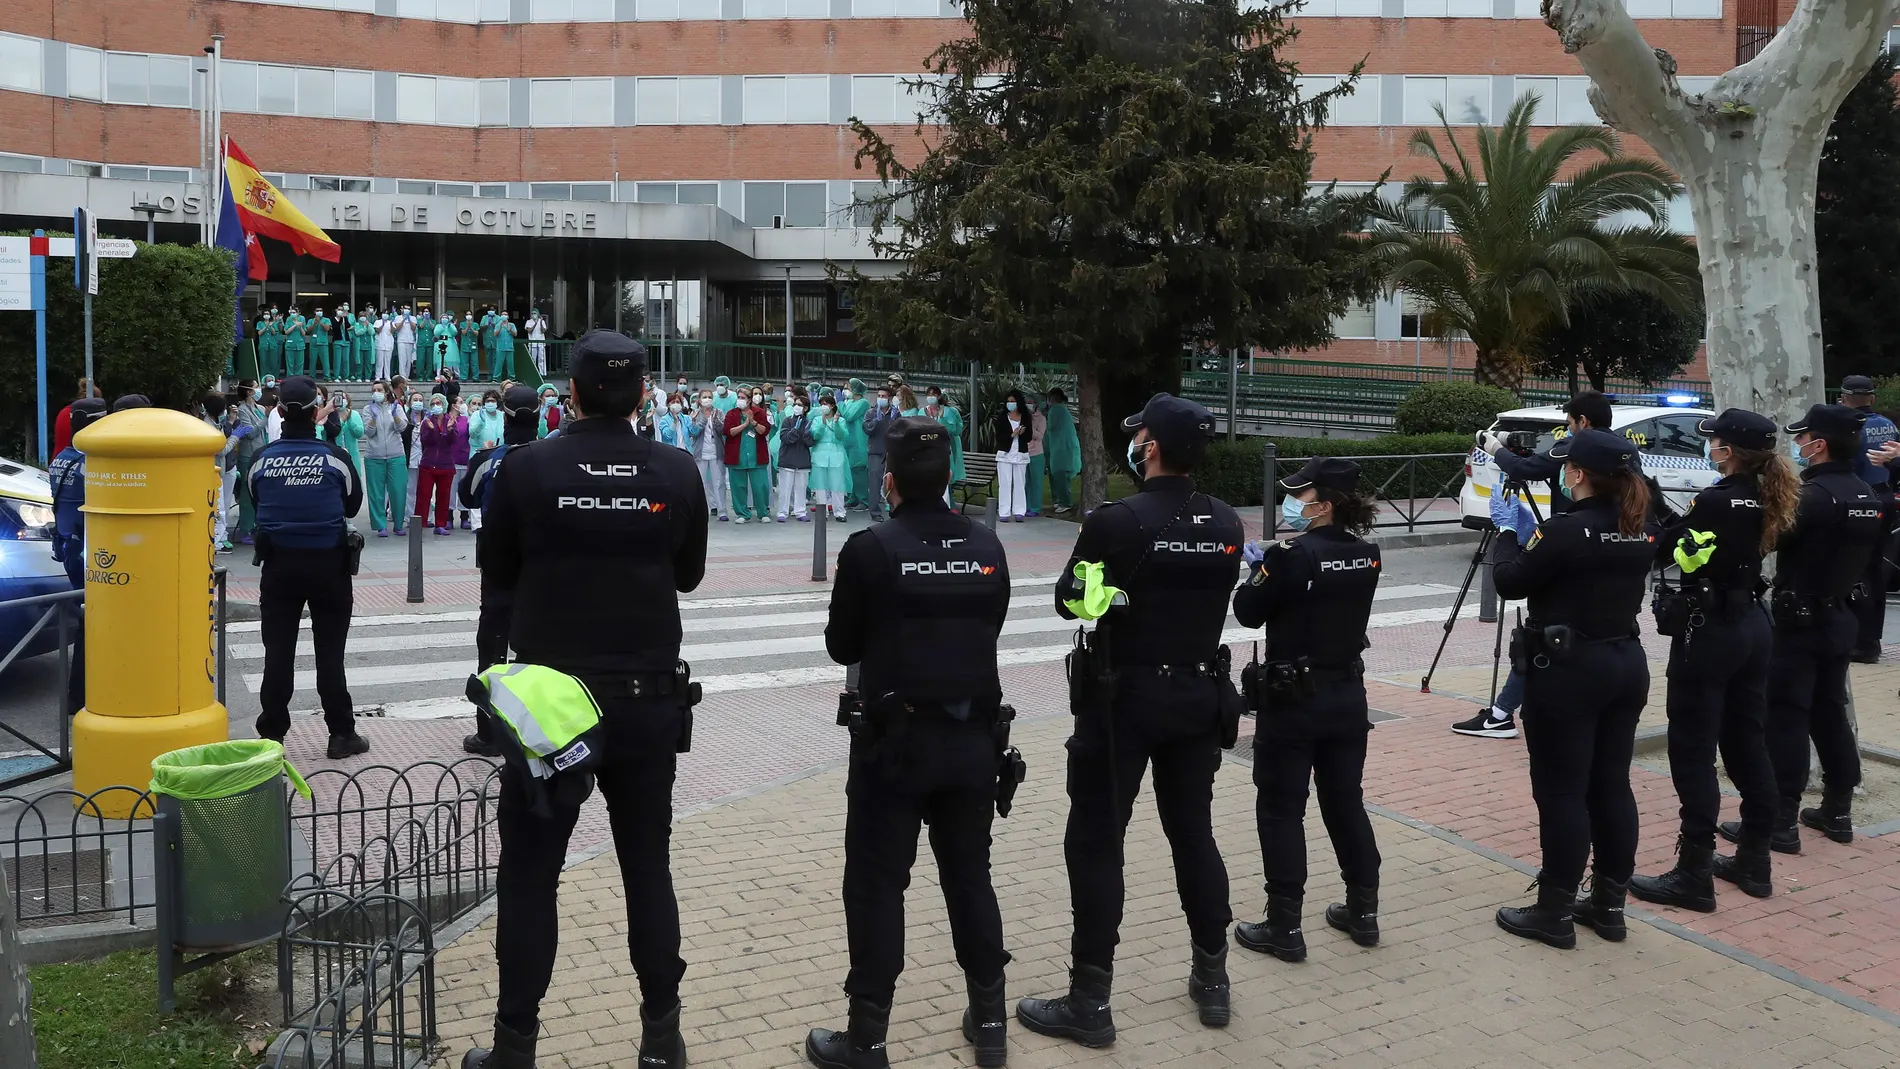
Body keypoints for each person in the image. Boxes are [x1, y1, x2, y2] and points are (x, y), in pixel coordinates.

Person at [461, 332, 707, 1069]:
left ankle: (515, 1045)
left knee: (530, 876)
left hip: (552, 703)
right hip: (646, 698)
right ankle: (662, 1038)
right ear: (643, 394)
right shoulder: (675, 468)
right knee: (647, 868)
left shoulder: (527, 467)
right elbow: (688, 573)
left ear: (569, 394)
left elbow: (498, 571)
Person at [1018, 393, 1241, 1044]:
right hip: (1198, 693)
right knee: (1193, 834)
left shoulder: (1117, 522)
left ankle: (1090, 999)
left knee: (1096, 840)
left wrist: (1109, 592)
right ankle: (1213, 977)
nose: (1135, 444)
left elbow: (1070, 601)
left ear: (1152, 448)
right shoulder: (1227, 520)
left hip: (1125, 700)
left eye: (1139, 436)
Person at [806, 416, 1014, 1069]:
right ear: (948, 476)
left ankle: (867, 1040)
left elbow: (842, 644)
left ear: (889, 480)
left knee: (876, 885)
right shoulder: (987, 545)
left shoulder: (871, 549)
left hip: (894, 744)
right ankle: (990, 1023)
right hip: (973, 740)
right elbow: (992, 622)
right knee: (969, 877)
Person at [1487, 428, 1657, 949]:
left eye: (1566, 467)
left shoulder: (1565, 530)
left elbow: (1510, 581)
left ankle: (1554, 911)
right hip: (1625, 661)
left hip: (1570, 670)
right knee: (1611, 785)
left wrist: (1506, 533)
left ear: (1578, 474)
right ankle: (1609, 906)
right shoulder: (1641, 524)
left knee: (1562, 791)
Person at [1626, 409, 1793, 912]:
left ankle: (1693, 872)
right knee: (1747, 741)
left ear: (1728, 450)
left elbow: (1665, 548)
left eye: (1714, 440)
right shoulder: (1765, 493)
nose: (1710, 446)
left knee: (1693, 748)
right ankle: (1754, 860)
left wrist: (1645, 499)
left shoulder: (1716, 500)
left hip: (1712, 630)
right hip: (1753, 625)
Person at [1230, 457, 1385, 962]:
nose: (1293, 503)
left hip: (1293, 701)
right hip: (1347, 696)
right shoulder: (1367, 554)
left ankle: (1284, 926)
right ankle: (1363, 912)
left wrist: (1257, 572)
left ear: (1325, 505)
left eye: (1301, 495)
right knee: (1345, 802)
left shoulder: (1292, 556)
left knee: (1281, 809)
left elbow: (1248, 611)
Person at [1457, 389, 1635, 739]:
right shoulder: (1625, 455)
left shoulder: (1581, 451)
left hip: (1574, 556)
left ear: (1582, 422)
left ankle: (1501, 714)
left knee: (1545, 632)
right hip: (1619, 642)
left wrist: (1495, 450)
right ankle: (1502, 711)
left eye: (1568, 424)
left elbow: (1525, 469)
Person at [1756, 403, 1884, 850]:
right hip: (1841, 617)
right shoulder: (1866, 494)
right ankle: (1838, 810)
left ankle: (1781, 820)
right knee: (1830, 712)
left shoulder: (1813, 496)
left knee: (1786, 715)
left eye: (1803, 437)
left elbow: (1767, 539)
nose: (1798, 444)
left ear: (1820, 445)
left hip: (1800, 621)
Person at [248, 376, 370, 759]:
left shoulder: (261, 459)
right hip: (328, 566)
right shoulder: (336, 458)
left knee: (277, 653)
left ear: (280, 411)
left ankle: (272, 736)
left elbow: (255, 498)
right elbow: (352, 505)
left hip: (279, 567)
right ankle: (341, 733)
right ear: (317, 411)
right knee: (330, 654)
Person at [457, 385, 542, 759]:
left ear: (504, 417)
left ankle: (489, 734)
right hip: (542, 570)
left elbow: (467, 497)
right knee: (539, 652)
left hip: (497, 569)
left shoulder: (488, 461)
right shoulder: (554, 459)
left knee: (492, 650)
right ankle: (536, 731)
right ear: (538, 417)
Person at [49, 399, 107, 715]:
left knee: (87, 617)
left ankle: (81, 694)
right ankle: (81, 694)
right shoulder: (92, 464)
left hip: (68, 547)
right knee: (93, 621)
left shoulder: (61, 458)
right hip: (89, 550)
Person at [1837, 376, 1896, 662]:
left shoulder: (1850, 427)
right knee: (1874, 572)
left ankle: (1858, 642)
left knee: (1853, 571)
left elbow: (1846, 465)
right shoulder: (1887, 424)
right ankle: (1872, 640)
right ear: (1872, 398)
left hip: (1859, 500)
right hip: (1885, 496)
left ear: (1844, 399)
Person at [360, 381, 411, 538]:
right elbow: (369, 432)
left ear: (387, 392)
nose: (376, 392)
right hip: (374, 456)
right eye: (374, 390)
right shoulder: (368, 409)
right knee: (376, 493)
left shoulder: (396, 407)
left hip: (396, 455)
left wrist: (395, 415)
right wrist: (374, 419)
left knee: (398, 490)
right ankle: (380, 525)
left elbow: (402, 428)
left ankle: (398, 524)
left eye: (379, 389)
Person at [418, 394, 466, 536]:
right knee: (423, 496)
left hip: (446, 465)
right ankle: (420, 524)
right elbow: (426, 441)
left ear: (444, 405)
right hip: (428, 464)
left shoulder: (450, 421)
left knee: (444, 496)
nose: (436, 406)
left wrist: (450, 430)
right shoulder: (427, 422)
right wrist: (432, 430)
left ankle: (440, 524)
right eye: (433, 403)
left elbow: (453, 441)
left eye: (438, 403)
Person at [723, 390, 773, 523]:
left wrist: (753, 422)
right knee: (738, 486)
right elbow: (728, 432)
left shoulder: (759, 413)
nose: (740, 399)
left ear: (749, 400)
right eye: (738, 397)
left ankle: (763, 512)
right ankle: (742, 513)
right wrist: (744, 425)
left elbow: (764, 431)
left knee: (760, 486)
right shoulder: (731, 414)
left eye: (743, 397)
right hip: (737, 456)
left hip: (757, 456)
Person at [229, 379, 266, 545]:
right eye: (256, 387)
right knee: (246, 494)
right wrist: (266, 419)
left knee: (259, 492)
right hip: (248, 456)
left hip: (261, 454)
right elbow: (249, 433)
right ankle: (245, 529)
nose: (259, 390)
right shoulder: (243, 410)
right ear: (249, 392)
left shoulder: (260, 408)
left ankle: (257, 525)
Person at [992, 391, 1034, 524]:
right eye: (1008, 401)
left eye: (1013, 401)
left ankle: (1019, 511)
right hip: (1005, 455)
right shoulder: (1002, 418)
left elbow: (1029, 437)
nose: (1010, 404)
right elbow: (999, 437)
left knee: (1020, 483)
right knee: (1005, 483)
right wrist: (1012, 434)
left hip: (1020, 454)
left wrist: (1022, 433)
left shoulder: (1025, 417)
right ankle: (1004, 512)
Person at [811, 392, 851, 522]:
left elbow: (842, 436)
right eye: (821, 404)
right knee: (820, 485)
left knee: (837, 484)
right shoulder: (817, 420)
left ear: (832, 406)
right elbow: (815, 436)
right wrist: (822, 424)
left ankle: (840, 512)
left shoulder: (841, 420)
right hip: (819, 454)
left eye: (826, 404)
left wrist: (837, 423)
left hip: (836, 453)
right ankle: (823, 513)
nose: (823, 406)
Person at [776, 393, 814, 522]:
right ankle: (782, 512)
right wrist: (795, 431)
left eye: (800, 405)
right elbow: (785, 438)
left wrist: (807, 434)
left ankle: (800, 511)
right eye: (795, 404)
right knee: (785, 489)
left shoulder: (808, 423)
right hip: (787, 459)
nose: (796, 407)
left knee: (801, 488)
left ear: (806, 408)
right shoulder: (787, 421)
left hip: (802, 459)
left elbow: (810, 442)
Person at [1042, 388, 1081, 514]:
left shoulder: (1056, 410)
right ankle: (1059, 500)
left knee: (1061, 475)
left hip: (1061, 450)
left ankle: (1065, 502)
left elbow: (1051, 426)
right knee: (1058, 475)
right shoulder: (1063, 410)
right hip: (1062, 448)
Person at [863, 386, 899, 523]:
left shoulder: (895, 413)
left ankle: (894, 509)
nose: (880, 398)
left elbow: (900, 431)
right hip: (875, 452)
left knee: (892, 483)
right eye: (879, 396)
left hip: (891, 452)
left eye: (883, 396)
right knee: (874, 482)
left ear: (890, 398)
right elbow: (867, 429)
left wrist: (894, 419)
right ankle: (875, 511)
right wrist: (876, 420)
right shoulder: (871, 412)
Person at [322, 387, 366, 483]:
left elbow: (359, 433)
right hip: (335, 454)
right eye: (338, 398)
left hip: (352, 455)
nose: (341, 400)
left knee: (354, 481)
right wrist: (341, 421)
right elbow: (328, 433)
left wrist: (349, 420)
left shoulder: (354, 414)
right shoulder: (329, 415)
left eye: (343, 398)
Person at [840, 378, 871, 509]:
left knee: (859, 471)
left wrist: (840, 404)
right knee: (850, 471)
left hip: (859, 442)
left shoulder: (863, 403)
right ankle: (853, 497)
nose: (846, 391)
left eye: (848, 388)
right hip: (848, 441)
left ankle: (864, 500)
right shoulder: (850, 402)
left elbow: (849, 416)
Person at [1024, 396, 1049, 517]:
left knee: (1036, 482)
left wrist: (1028, 426)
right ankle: (1025, 506)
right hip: (1023, 454)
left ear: (1035, 404)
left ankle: (1035, 507)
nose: (1028, 404)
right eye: (1026, 402)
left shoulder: (1041, 419)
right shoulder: (1021, 417)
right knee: (1025, 482)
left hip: (1036, 454)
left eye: (1030, 402)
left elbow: (1039, 436)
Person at [351, 307, 375, 382]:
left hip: (369, 347)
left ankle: (368, 377)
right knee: (359, 362)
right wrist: (364, 327)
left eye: (364, 316)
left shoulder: (370, 324)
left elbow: (372, 332)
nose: (363, 317)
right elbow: (357, 332)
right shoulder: (356, 324)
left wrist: (367, 326)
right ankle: (359, 376)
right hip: (360, 346)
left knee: (368, 363)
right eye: (361, 316)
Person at [283, 307, 309, 377]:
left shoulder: (302, 318)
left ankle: (299, 377)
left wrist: (300, 326)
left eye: (294, 312)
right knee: (290, 363)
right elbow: (286, 332)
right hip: (290, 344)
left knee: (300, 363)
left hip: (300, 344)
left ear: (298, 313)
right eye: (291, 312)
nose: (292, 314)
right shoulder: (288, 319)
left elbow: (304, 333)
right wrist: (295, 325)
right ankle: (290, 377)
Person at [311, 308, 336, 380]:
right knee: (312, 361)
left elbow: (327, 329)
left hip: (323, 343)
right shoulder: (311, 320)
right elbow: (308, 330)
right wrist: (314, 323)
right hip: (313, 343)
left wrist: (319, 322)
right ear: (314, 312)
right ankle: (312, 376)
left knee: (325, 361)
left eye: (320, 311)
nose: (319, 312)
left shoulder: (326, 320)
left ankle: (327, 376)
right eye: (317, 311)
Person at [495, 311, 520, 381]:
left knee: (510, 364)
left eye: (505, 314)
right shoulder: (497, 325)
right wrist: (500, 327)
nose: (504, 316)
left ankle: (512, 378)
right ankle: (496, 378)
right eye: (503, 314)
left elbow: (515, 334)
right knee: (499, 363)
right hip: (500, 347)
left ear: (508, 316)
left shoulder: (512, 325)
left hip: (509, 347)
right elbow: (495, 334)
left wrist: (510, 329)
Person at [397, 305, 418, 380]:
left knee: (409, 360)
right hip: (401, 340)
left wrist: (409, 319)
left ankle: (407, 376)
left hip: (410, 341)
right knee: (402, 359)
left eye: (408, 309)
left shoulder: (413, 318)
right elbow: (397, 328)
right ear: (402, 309)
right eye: (405, 308)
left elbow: (413, 328)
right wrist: (403, 319)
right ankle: (402, 375)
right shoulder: (398, 317)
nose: (407, 310)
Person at [526, 309, 549, 375]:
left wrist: (540, 322)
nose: (533, 315)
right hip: (532, 343)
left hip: (541, 343)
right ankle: (531, 373)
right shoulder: (529, 321)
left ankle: (542, 374)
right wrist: (535, 323)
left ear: (538, 314)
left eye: (535, 313)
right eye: (532, 313)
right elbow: (529, 331)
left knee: (541, 359)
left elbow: (543, 331)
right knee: (532, 359)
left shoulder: (542, 321)